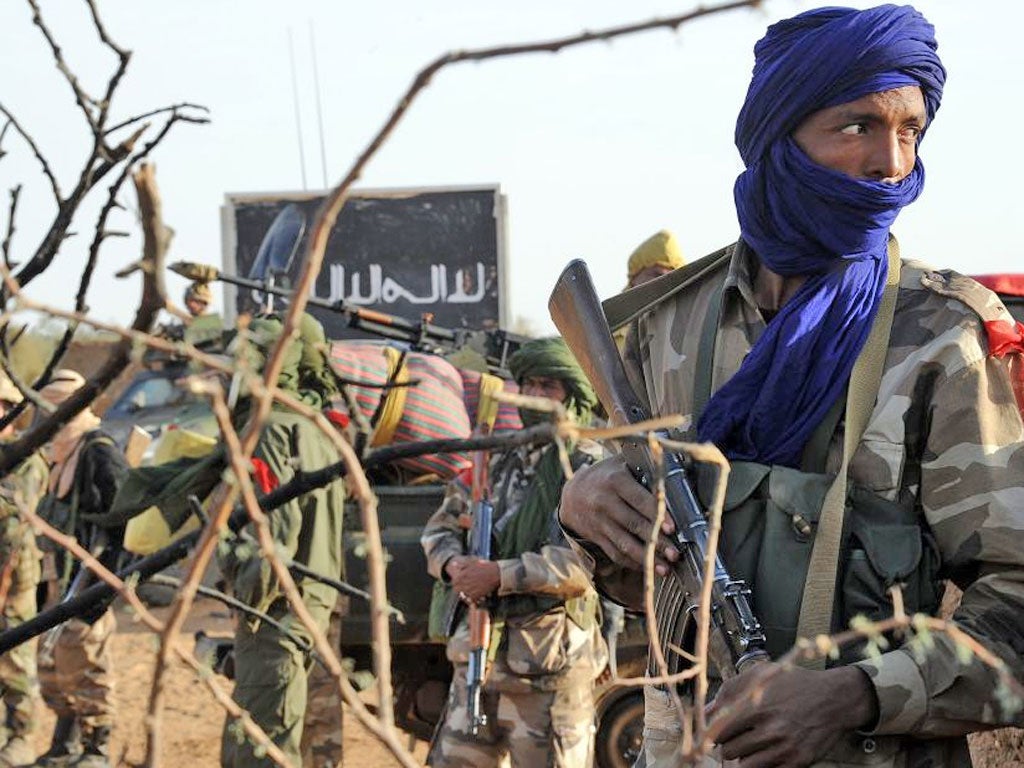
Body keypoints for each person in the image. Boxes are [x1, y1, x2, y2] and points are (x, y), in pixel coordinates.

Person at [558, 6, 1024, 768]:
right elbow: (623, 574)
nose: (892, 162)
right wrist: (584, 509)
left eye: (911, 130)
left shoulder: (940, 337)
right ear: (782, 134)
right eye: (859, 127)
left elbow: (1016, 602)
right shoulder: (670, 327)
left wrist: (855, 695)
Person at [422, 337, 608, 767]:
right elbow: (440, 528)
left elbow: (589, 564)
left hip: (550, 677)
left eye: (550, 386)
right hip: (478, 665)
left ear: (571, 393)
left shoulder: (589, 467)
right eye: (529, 385)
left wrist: (500, 575)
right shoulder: (496, 459)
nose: (537, 396)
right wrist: (454, 566)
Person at [217, 316, 346, 768]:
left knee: (256, 747)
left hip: (273, 615)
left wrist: (246, 606)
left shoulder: (271, 429)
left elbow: (273, 540)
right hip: (306, 608)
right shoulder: (317, 427)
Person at [35, 370, 128, 768]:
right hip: (55, 578)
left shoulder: (98, 450)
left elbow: (123, 520)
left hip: (86, 581)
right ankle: (65, 744)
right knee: (54, 667)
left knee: (88, 666)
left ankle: (97, 748)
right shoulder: (60, 450)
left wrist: (102, 590)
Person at [0, 376, 49, 767]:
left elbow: (16, 523)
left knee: (16, 659)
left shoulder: (24, 457)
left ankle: (22, 738)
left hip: (13, 577)